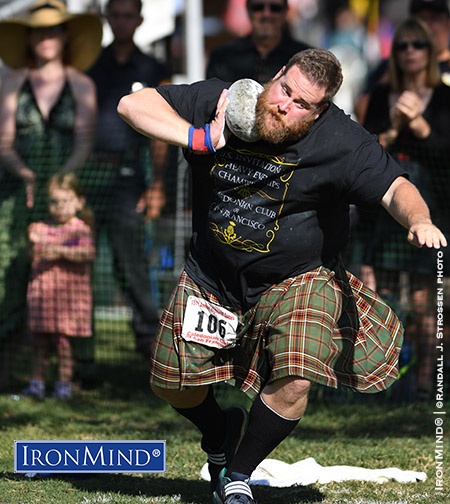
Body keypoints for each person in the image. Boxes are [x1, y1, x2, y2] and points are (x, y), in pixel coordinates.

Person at [118, 48, 447, 504]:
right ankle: (221, 430)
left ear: (321, 110)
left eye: (301, 104)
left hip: (296, 280)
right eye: (284, 89)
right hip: (212, 276)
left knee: (296, 375)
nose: (284, 104)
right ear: (275, 76)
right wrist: (197, 138)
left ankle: (237, 473)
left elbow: (395, 187)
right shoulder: (227, 103)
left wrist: (419, 220)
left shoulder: (341, 140)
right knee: (169, 382)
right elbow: (132, 105)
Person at [0, 0, 101, 389]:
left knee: (70, 280)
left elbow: (84, 141)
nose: (45, 37)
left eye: (53, 29)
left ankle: (76, 373)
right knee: (11, 276)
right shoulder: (11, 82)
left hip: (66, 194)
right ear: (28, 36)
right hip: (15, 197)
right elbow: (4, 142)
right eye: (38, 30)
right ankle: (9, 368)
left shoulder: (82, 85)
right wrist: (24, 173)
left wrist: (62, 180)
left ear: (65, 36)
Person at [362, 17, 450, 401]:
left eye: (418, 45)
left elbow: (447, 152)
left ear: (430, 52)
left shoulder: (445, 98)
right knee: (378, 292)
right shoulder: (381, 94)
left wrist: (421, 124)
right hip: (386, 207)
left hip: (432, 205)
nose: (410, 52)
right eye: (402, 46)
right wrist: (396, 128)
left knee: (423, 296)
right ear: (394, 54)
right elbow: (365, 149)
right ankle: (378, 379)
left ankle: (424, 382)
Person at [84, 0, 171, 358]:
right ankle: (79, 356)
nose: (121, 21)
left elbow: (161, 134)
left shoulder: (153, 68)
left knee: (131, 263)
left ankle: (148, 351)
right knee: (80, 265)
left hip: (128, 177)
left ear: (139, 19)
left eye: (127, 15)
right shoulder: (89, 63)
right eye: (115, 14)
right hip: (86, 176)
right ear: (107, 18)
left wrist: (157, 185)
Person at [23, 172, 96, 400]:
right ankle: (37, 385)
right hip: (43, 296)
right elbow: (29, 255)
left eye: (65, 201)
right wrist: (32, 248)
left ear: (78, 202)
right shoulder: (40, 228)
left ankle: (63, 386)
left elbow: (88, 252)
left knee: (63, 344)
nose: (60, 207)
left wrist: (61, 251)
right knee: (40, 343)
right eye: (55, 202)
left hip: (67, 300)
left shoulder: (80, 229)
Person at [354, 0, 450, 124]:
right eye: (420, 19)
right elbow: (363, 116)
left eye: (434, 19)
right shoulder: (390, 66)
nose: (426, 26)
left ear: (447, 23)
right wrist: (393, 75)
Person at [206, 0, 310, 84]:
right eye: (258, 7)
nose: (266, 14)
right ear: (248, 10)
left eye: (275, 8)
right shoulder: (221, 56)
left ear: (285, 11)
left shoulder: (305, 58)